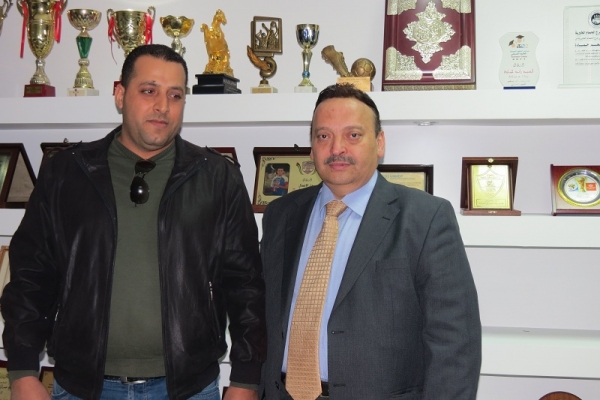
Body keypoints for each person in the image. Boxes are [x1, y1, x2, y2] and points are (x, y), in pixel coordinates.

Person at [1, 44, 266, 400]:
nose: (163, 106)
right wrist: (22, 371)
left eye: (175, 95)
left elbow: (245, 285)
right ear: (120, 94)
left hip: (188, 388)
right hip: (83, 387)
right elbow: (31, 276)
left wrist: (246, 379)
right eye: (149, 91)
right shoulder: (66, 173)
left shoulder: (218, 178)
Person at [259, 84, 481, 399]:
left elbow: (455, 342)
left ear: (379, 143)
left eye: (353, 135)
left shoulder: (425, 218)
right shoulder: (281, 214)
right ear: (312, 147)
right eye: (323, 136)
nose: (337, 148)